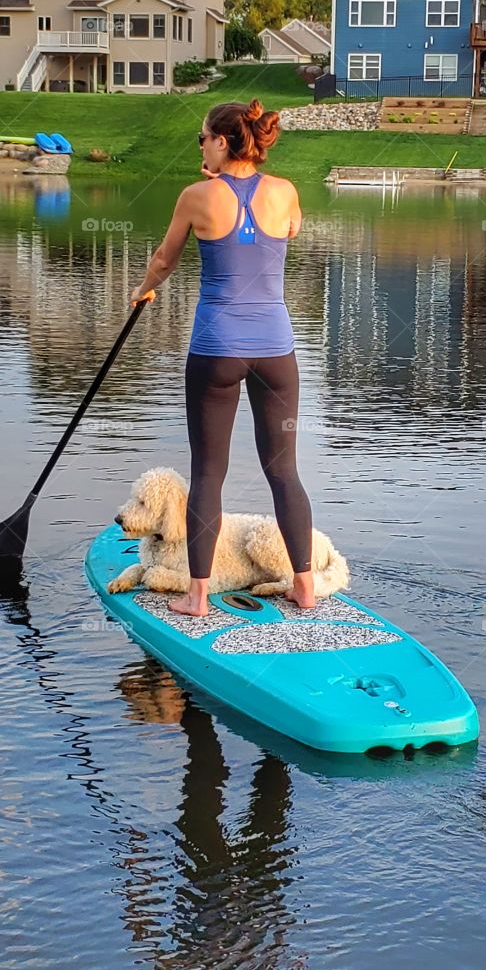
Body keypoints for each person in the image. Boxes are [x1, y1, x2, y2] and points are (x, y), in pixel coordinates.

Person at [128, 98, 314, 617]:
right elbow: (292, 229)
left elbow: (164, 259)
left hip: (217, 351)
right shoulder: (285, 191)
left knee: (208, 473)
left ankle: (197, 596)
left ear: (222, 141)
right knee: (285, 471)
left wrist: (143, 290)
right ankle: (304, 586)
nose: (200, 147)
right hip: (277, 352)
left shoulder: (196, 196)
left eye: (203, 139)